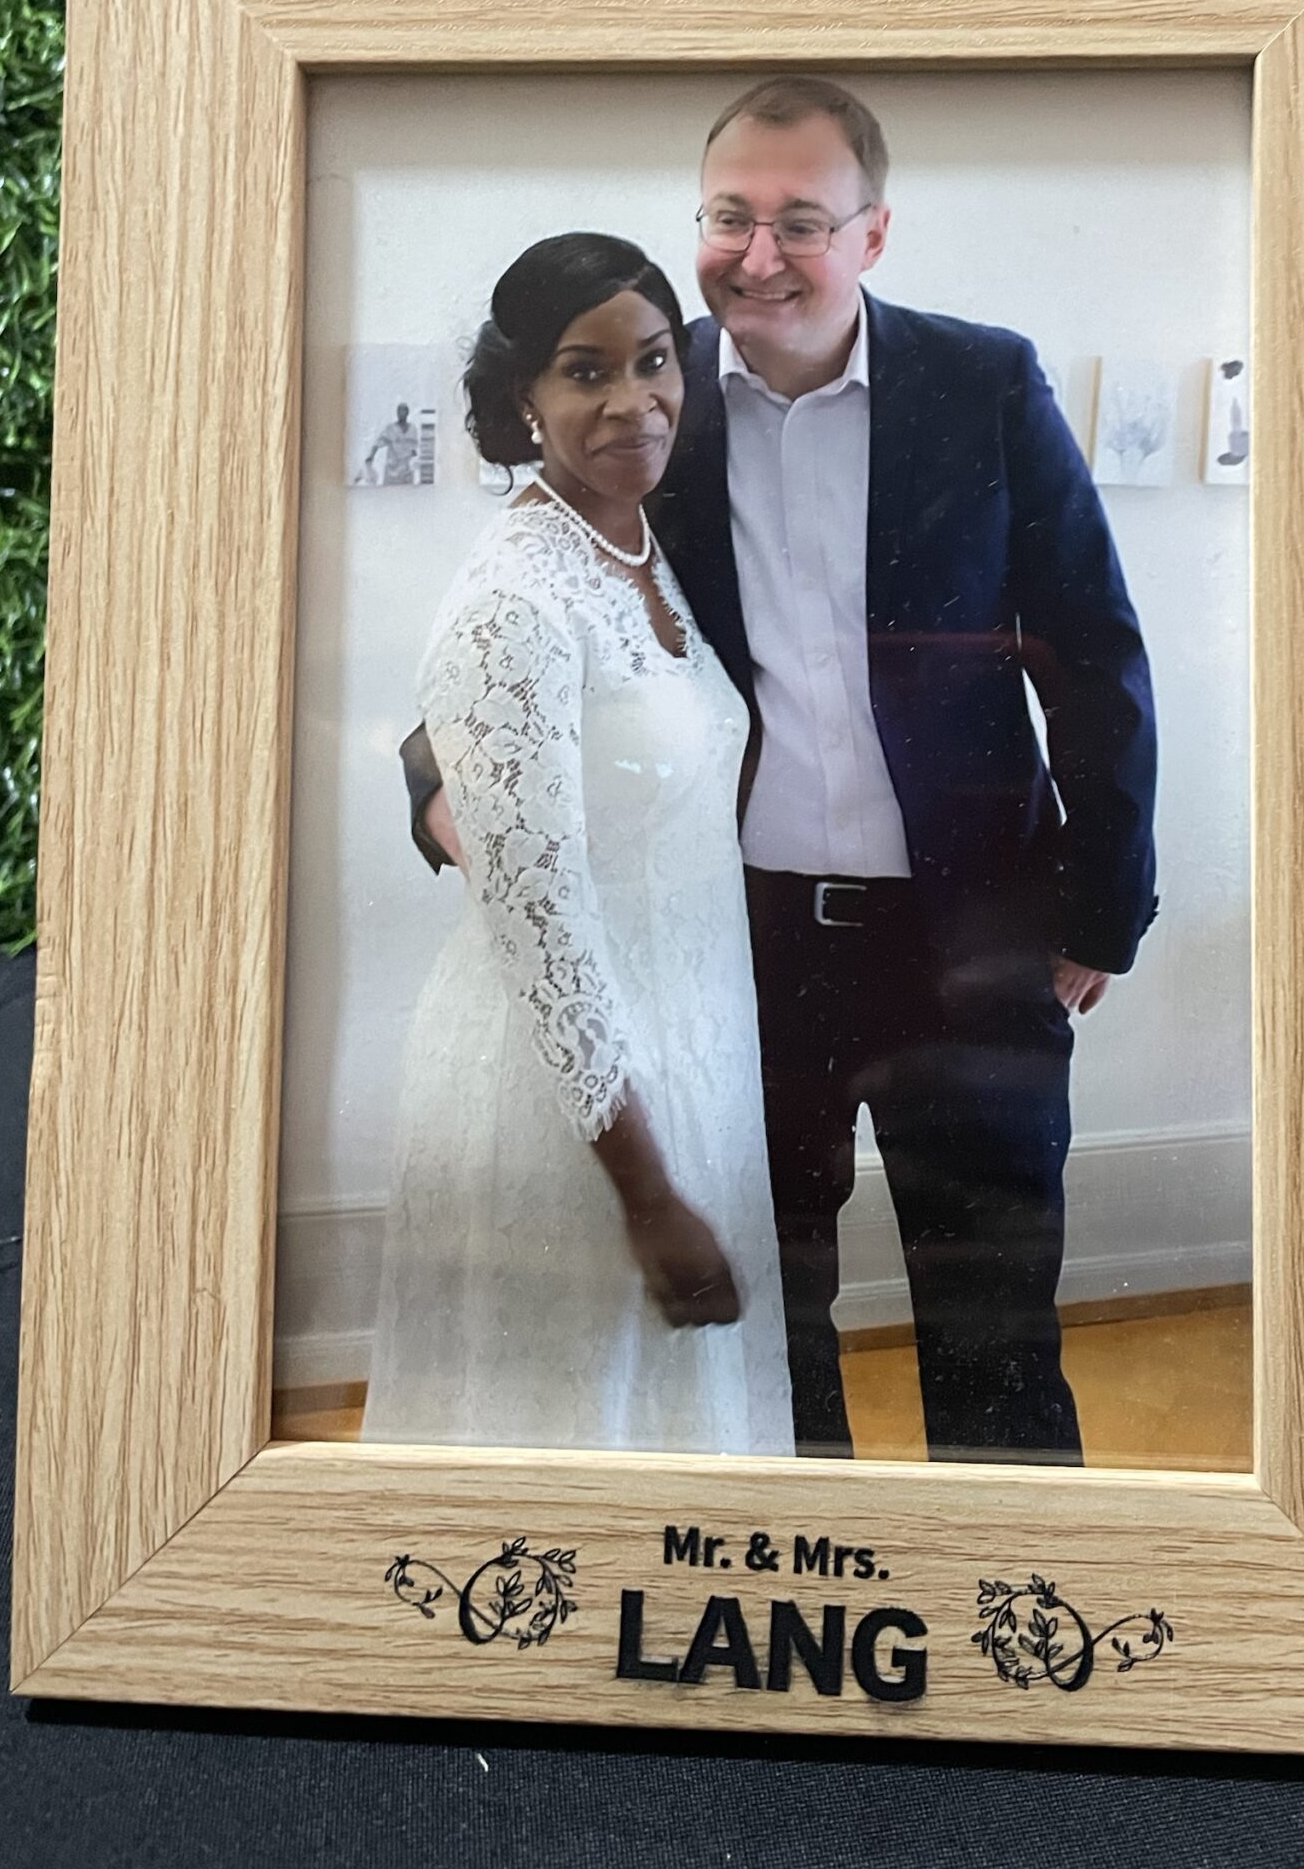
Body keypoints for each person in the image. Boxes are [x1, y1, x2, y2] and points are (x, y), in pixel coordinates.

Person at [406, 79, 1158, 1464]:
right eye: (729, 217)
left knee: (996, 1339)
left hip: (973, 944)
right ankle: (813, 1580)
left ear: (872, 233)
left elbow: (1094, 650)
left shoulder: (985, 382)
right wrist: (431, 789)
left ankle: (1009, 1588)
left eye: (801, 220)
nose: (759, 255)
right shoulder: (647, 392)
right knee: (776, 1339)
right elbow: (525, 626)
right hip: (747, 954)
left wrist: (1104, 905)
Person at [362, 234, 793, 1455]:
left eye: (653, 361)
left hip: (687, 1048)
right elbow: (540, 928)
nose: (631, 400)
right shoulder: (517, 596)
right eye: (585, 371)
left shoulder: (636, 543)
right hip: (573, 1099)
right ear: (524, 399)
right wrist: (647, 1195)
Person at [356, 401, 420, 484]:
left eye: (403, 411)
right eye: (399, 411)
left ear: (407, 413)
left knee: (407, 490)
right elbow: (377, 443)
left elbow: (414, 448)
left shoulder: (413, 429)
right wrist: (371, 456)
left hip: (407, 471)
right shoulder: (391, 428)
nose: (401, 413)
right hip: (392, 470)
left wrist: (415, 460)